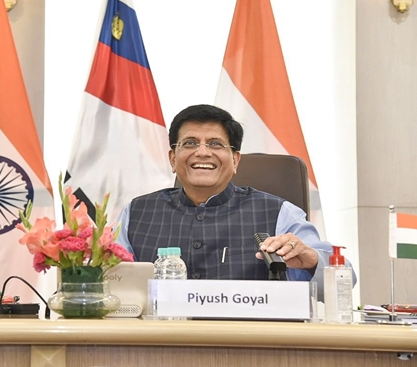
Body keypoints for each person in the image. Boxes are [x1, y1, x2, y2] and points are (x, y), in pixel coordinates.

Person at [115, 104, 354, 294]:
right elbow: (110, 281)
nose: (202, 152)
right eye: (189, 143)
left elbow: (346, 278)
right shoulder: (136, 212)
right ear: (172, 158)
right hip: (156, 346)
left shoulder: (280, 212)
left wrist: (312, 260)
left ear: (236, 160)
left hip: (252, 348)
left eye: (215, 144)